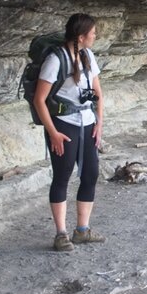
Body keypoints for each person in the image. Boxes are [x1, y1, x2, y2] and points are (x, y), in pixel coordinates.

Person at [34, 13, 106, 252]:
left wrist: (99, 122)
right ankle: (61, 234)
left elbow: (97, 92)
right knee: (62, 176)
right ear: (81, 36)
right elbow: (39, 100)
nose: (95, 36)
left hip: (87, 122)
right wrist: (53, 132)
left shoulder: (87, 56)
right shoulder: (56, 60)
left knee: (90, 174)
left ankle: (82, 231)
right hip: (64, 124)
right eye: (93, 33)